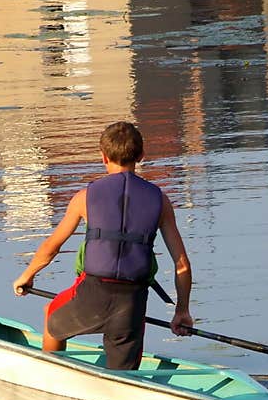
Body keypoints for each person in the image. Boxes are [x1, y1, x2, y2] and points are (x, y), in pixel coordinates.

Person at [12, 121, 193, 370]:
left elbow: (51, 248)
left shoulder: (84, 198)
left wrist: (27, 276)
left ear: (103, 157)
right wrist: (181, 310)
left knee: (51, 318)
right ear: (141, 156)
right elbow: (181, 264)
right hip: (133, 301)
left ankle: (52, 373)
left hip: (92, 294)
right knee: (124, 375)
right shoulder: (160, 201)